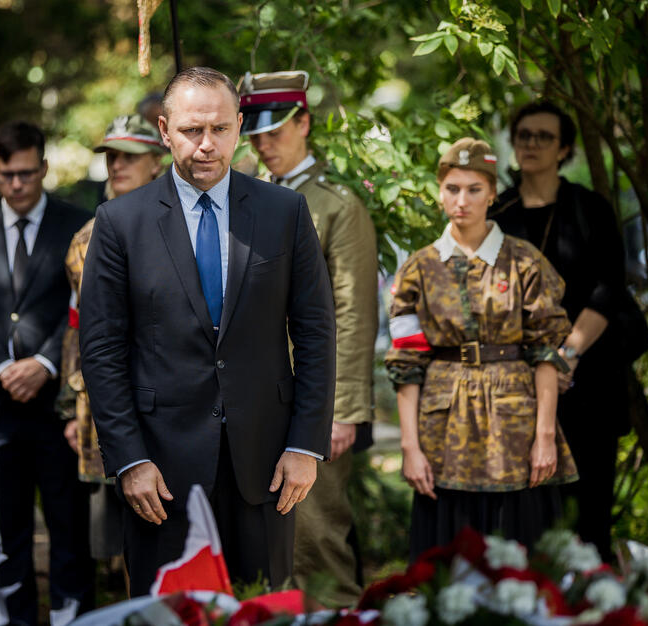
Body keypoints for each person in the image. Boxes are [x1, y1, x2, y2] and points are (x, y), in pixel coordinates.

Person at [79, 66, 336, 596]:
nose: (206, 145)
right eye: (193, 130)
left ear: (238, 127)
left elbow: (315, 333)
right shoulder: (119, 222)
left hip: (266, 465)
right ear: (165, 129)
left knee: (262, 606)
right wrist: (129, 458)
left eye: (219, 129)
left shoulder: (284, 211)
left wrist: (305, 446)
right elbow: (101, 350)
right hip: (160, 471)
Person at [385, 137, 578, 560]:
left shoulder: (524, 261)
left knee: (521, 549)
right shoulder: (418, 268)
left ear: (492, 193)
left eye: (474, 189)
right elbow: (406, 363)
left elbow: (545, 352)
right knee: (446, 557)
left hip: (515, 425)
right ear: (439, 192)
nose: (462, 201)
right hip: (443, 428)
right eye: (452, 188)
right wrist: (410, 449)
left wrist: (544, 436)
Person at [0, 120, 95, 625]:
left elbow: (83, 304)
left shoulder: (77, 224)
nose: (17, 184)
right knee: (4, 536)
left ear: (45, 168)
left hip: (56, 408)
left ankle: (73, 618)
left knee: (67, 528)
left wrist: (47, 362)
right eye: (7, 174)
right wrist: (0, 367)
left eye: (28, 174)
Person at [239, 70, 378, 607]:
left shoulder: (336, 205)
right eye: (254, 133)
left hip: (311, 401)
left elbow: (353, 313)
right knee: (260, 543)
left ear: (304, 122)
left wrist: (342, 410)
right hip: (251, 397)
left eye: (274, 130)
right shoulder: (243, 197)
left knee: (317, 538)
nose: (262, 143)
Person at [490, 101, 641, 561]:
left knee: (589, 513)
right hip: (518, 382)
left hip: (588, 374)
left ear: (565, 149)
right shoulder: (498, 212)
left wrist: (566, 355)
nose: (531, 144)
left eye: (543, 137)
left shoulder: (588, 208)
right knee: (526, 517)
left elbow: (609, 287)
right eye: (524, 135)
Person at [59, 113, 166, 585]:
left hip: (171, 395)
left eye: (130, 156)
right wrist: (69, 406)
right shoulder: (86, 239)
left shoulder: (178, 223)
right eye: (112, 157)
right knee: (125, 534)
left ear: (157, 163)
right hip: (107, 406)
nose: (118, 165)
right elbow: (77, 331)